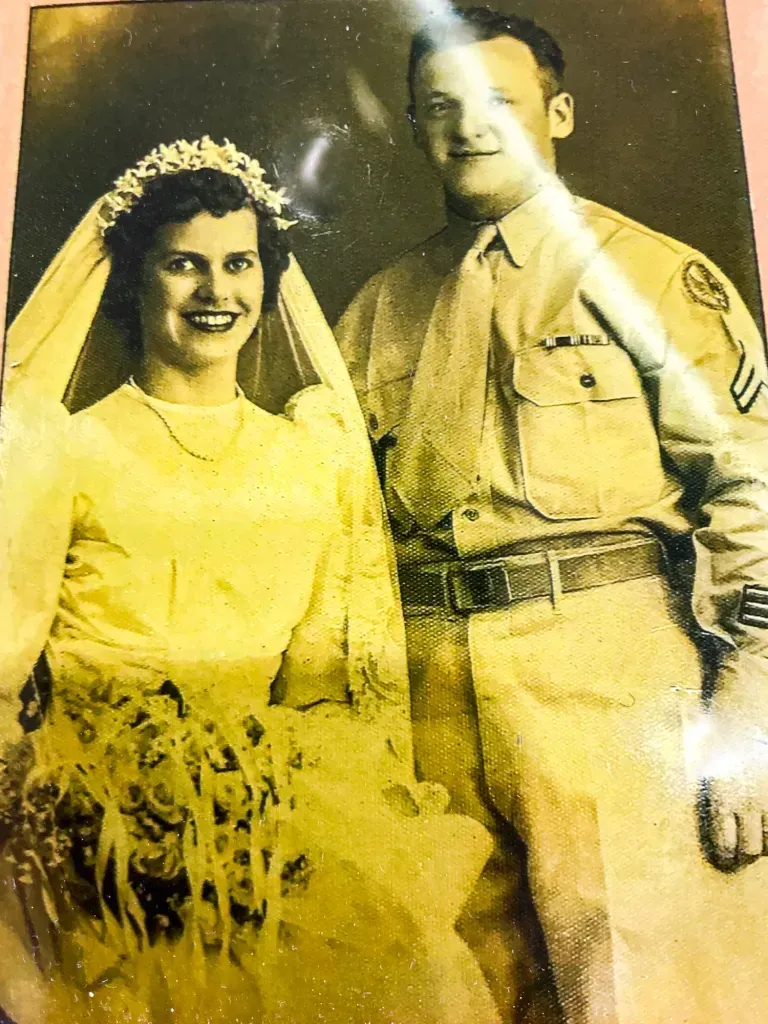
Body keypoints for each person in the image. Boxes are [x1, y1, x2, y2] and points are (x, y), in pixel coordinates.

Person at [0, 137, 500, 1024]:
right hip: (92, 816)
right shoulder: (60, 446)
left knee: (400, 970)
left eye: (238, 265)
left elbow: (316, 678)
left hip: (271, 804)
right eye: (182, 265)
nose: (215, 292)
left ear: (267, 280)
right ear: (134, 280)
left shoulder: (309, 454)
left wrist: (269, 807)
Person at [336, 7, 768, 1023]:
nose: (470, 129)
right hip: (427, 701)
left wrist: (747, 720)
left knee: (639, 995)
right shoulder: (374, 310)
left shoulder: (654, 278)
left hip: (611, 686)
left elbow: (756, 496)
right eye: (440, 108)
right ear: (413, 126)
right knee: (458, 998)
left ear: (558, 113)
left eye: (499, 103)